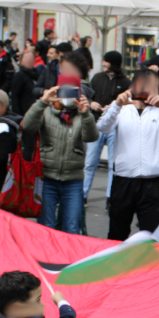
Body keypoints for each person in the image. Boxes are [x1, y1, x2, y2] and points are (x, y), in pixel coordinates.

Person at [97, 69, 159, 241]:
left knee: (151, 235)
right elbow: (103, 127)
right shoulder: (122, 109)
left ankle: (150, 267)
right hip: (123, 179)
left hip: (153, 182)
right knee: (117, 232)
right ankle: (116, 266)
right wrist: (116, 105)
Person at [23, 75, 97, 233]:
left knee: (72, 227)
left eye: (73, 91)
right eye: (64, 90)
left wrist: (85, 113)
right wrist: (42, 101)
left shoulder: (81, 113)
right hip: (47, 177)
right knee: (45, 227)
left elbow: (91, 137)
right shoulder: (46, 110)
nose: (68, 96)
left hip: (73, 180)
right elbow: (27, 126)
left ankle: (69, 258)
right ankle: (46, 257)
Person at [84, 51, 130, 204]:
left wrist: (114, 106)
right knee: (90, 162)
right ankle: (83, 195)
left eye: (106, 61)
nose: (103, 63)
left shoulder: (125, 82)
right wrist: (91, 103)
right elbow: (88, 95)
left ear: (113, 63)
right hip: (96, 123)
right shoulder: (97, 78)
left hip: (115, 126)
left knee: (113, 164)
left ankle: (111, 198)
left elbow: (128, 104)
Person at [10, 49, 40, 116]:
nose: (29, 60)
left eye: (31, 58)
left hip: (35, 112)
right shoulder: (19, 75)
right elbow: (15, 97)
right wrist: (17, 115)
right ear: (21, 60)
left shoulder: (36, 74)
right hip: (24, 113)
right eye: (26, 58)